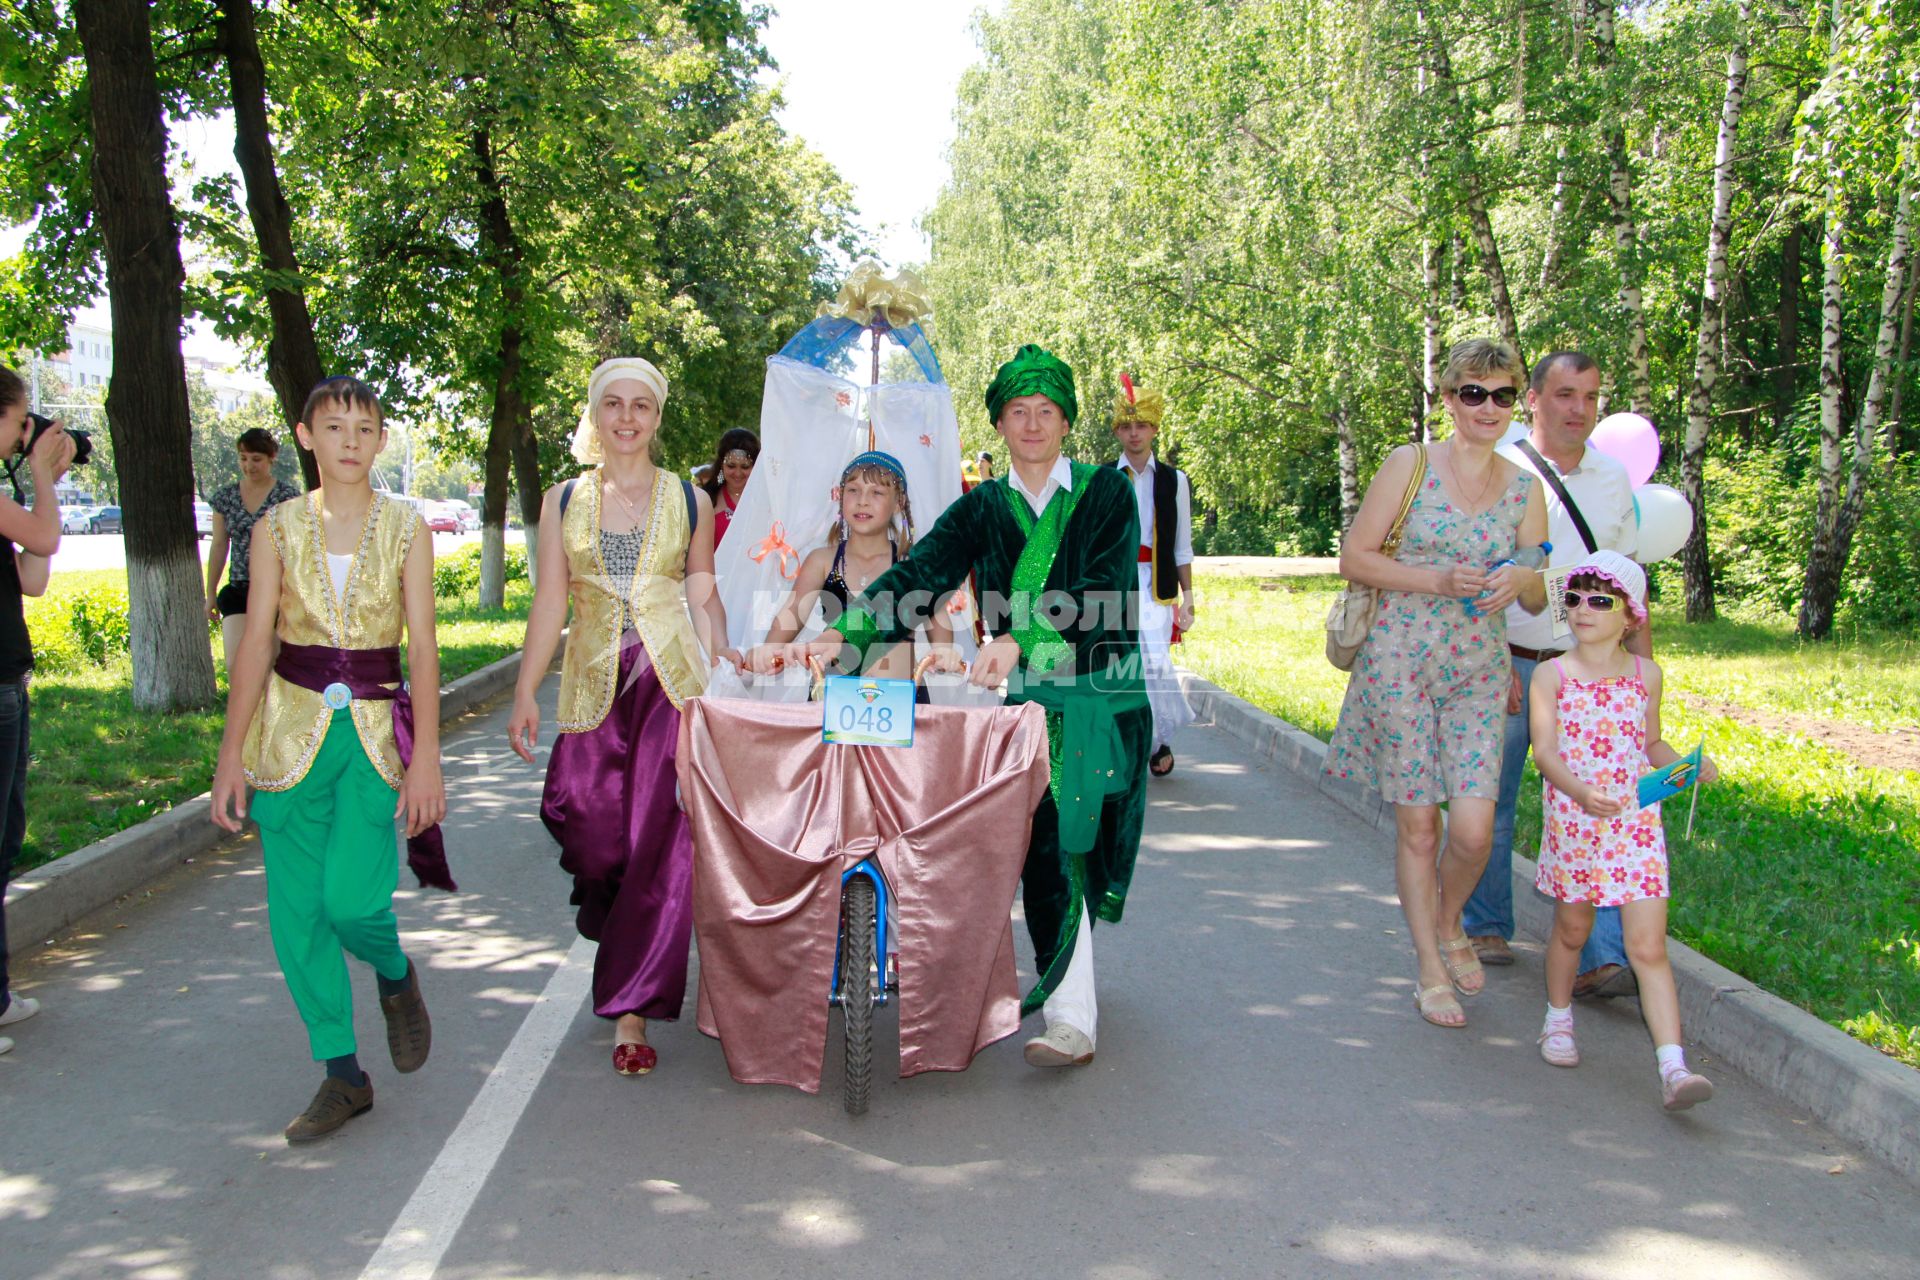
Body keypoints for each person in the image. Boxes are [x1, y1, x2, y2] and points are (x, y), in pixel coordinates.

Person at [788, 344, 1150, 1069]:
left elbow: (1106, 591)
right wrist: (847, 630)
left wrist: (1018, 638)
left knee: (1084, 846)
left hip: (1095, 697)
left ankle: (1065, 987)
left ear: (1068, 421)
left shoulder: (1106, 496)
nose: (1033, 424)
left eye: (1047, 411)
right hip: (1018, 708)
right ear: (1000, 424)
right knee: (1049, 853)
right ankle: (1073, 1016)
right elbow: (920, 572)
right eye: (1018, 412)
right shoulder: (984, 506)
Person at [211, 376, 445, 1142]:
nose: (350, 440)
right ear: (306, 437)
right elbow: (257, 645)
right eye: (334, 426)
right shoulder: (275, 528)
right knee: (299, 915)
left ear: (380, 441)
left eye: (366, 427)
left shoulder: (408, 528)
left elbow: (423, 647)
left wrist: (428, 761)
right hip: (287, 736)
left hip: (376, 741)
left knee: (352, 903)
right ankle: (342, 1073)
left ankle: (394, 971)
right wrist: (230, 756)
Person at [508, 358, 742, 1078]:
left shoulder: (689, 500)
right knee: (586, 831)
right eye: (613, 404)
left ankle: (632, 1009)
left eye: (641, 405)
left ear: (658, 417)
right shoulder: (563, 498)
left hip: (670, 687)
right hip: (592, 686)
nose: (627, 417)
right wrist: (525, 690)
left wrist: (727, 670)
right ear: (596, 413)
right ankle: (614, 924)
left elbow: (702, 593)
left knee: (656, 846)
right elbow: (551, 599)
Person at [1324, 338, 1548, 1030]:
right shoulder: (1410, 464)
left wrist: (1523, 578)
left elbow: (1539, 594)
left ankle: (1450, 921)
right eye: (1473, 393)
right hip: (1401, 658)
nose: (1488, 407)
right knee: (1420, 825)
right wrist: (1436, 580)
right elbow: (1353, 558)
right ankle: (1428, 966)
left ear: (1518, 402)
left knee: (1475, 831)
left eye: (1503, 394)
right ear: (1449, 399)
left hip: (1480, 669)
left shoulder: (1524, 487)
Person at [1461, 351, 1646, 998]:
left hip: (1589, 673)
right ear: (1533, 399)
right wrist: (1490, 658)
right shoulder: (1497, 465)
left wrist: (1640, 665)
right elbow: (1475, 575)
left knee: (1599, 806)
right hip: (1508, 661)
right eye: (1565, 394)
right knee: (1494, 799)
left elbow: (1625, 581)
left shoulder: (1611, 478)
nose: (1579, 409)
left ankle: (1601, 957)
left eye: (1591, 397)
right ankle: (1484, 924)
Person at [1530, 551, 1718, 1109]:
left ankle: (1673, 1068)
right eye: (1575, 598)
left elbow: (1650, 742)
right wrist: (1583, 793)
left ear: (1630, 614)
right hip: (1577, 819)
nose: (1583, 609)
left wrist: (1683, 766)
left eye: (1600, 600)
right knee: (1571, 930)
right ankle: (1557, 1018)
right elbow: (1545, 753)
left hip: (1635, 826)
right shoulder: (1552, 674)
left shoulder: (1646, 674)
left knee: (1647, 946)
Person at [0, 367, 77, 1058]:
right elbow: (49, 540)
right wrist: (45, 476)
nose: (27, 435)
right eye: (22, 421)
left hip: (7, 682)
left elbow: (32, 573)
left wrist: (35, 481)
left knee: (4, 838)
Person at [748, 450, 959, 682]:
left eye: (877, 492)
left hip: (900, 706)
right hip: (832, 702)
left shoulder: (913, 565)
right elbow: (792, 611)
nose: (862, 501)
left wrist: (944, 650)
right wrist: (769, 648)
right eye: (853, 490)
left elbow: (938, 623)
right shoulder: (822, 561)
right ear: (841, 498)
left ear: (899, 503)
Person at [1110, 377, 1195, 777]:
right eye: (1126, 427)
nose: (1134, 434)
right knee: (1123, 663)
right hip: (1115, 587)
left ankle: (1158, 738)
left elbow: (1181, 543)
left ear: (1155, 429)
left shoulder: (1174, 481)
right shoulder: (1105, 479)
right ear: (1117, 431)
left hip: (1156, 586)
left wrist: (1188, 595)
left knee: (1156, 663)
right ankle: (1129, 739)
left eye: (1141, 426)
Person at [205, 427, 302, 670]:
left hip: (278, 593)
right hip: (239, 590)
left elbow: (297, 550)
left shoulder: (288, 498)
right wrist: (209, 594)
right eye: (243, 458)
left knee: (271, 668)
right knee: (238, 667)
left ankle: (270, 709)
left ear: (271, 458)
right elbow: (218, 546)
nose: (249, 465)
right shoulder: (225, 498)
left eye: (256, 459)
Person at [698, 428, 759, 546]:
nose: (737, 473)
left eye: (745, 467)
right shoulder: (706, 499)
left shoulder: (768, 500)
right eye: (731, 466)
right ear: (721, 465)